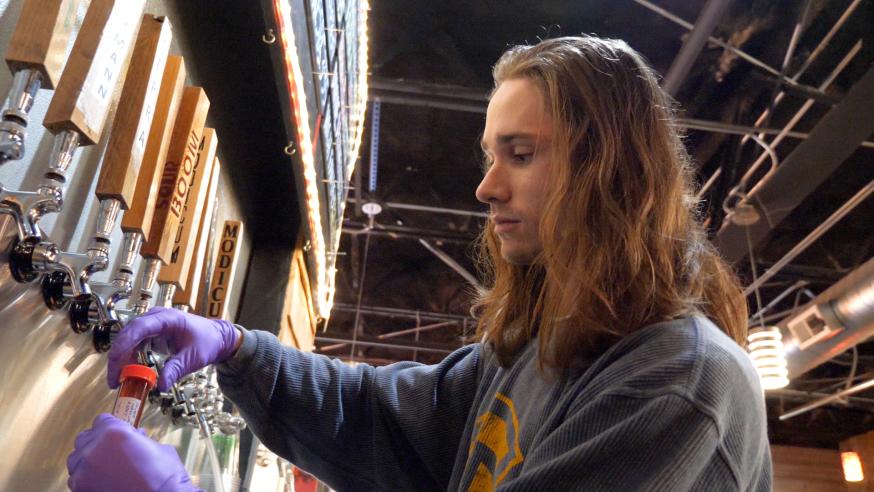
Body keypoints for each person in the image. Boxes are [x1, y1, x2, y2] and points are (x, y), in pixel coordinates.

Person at [66, 36, 771, 491]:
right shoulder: (538, 345)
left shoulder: (679, 384)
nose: (487, 187)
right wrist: (240, 349)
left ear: (609, 169)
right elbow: (382, 419)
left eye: (520, 155)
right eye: (490, 155)